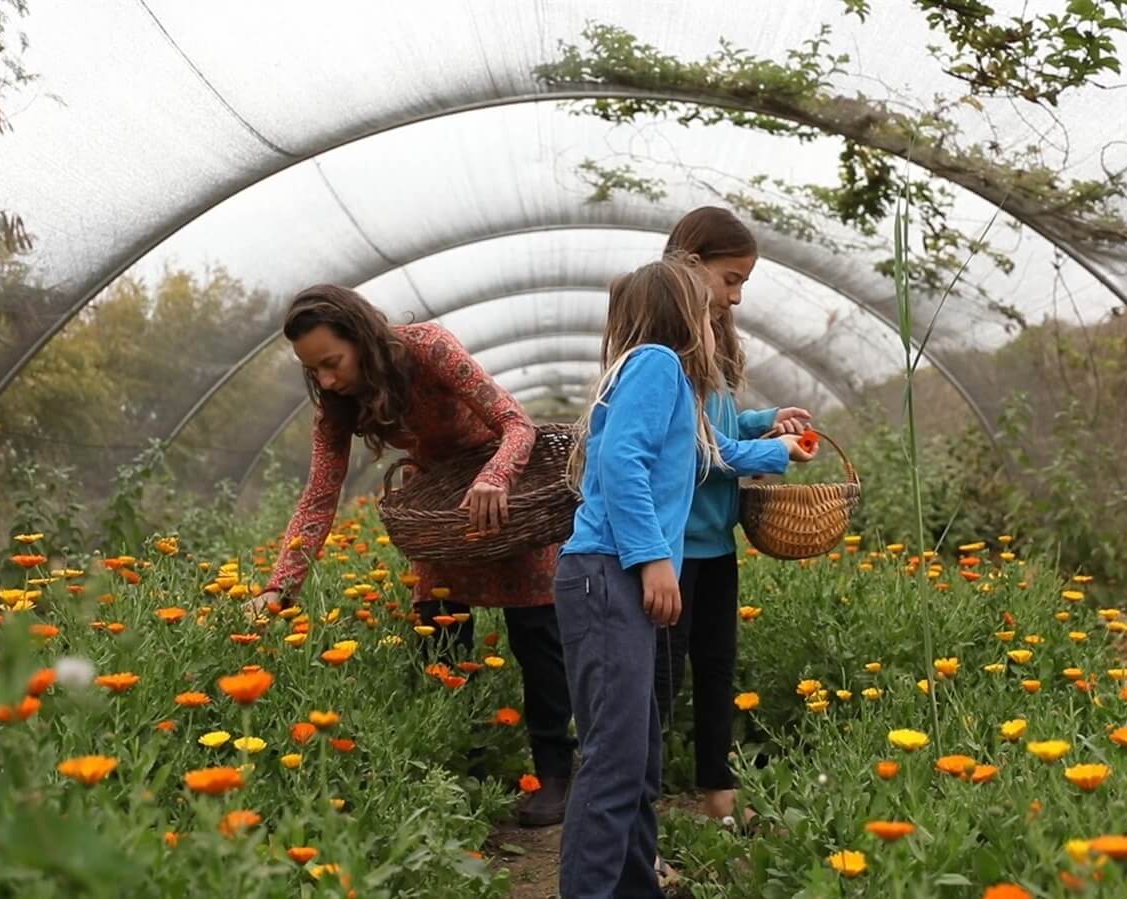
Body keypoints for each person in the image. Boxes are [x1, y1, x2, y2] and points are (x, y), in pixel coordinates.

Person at [249, 284, 575, 827]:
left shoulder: (427, 348)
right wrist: (277, 588)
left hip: (505, 496)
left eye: (333, 362)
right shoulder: (337, 402)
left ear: (362, 338)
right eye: (316, 370)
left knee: (537, 635)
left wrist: (496, 477)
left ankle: (555, 775)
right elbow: (320, 494)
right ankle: (462, 776)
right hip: (442, 511)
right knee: (440, 639)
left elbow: (517, 425)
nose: (327, 379)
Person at [553, 257, 815, 898]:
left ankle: (634, 886)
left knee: (637, 760)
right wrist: (653, 561)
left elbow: (708, 455)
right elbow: (622, 462)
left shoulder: (663, 379)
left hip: (609, 576)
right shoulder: (657, 364)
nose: (715, 318)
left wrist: (776, 450)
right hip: (608, 573)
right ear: (684, 316)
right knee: (616, 763)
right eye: (705, 309)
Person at [655, 207, 811, 827]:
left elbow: (719, 427)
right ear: (690, 266)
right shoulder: (668, 349)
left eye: (744, 283)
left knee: (717, 668)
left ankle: (718, 795)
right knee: (661, 680)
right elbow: (695, 451)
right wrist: (774, 452)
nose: (737, 296)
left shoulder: (713, 341)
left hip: (716, 541)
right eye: (731, 279)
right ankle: (640, 798)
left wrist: (765, 422)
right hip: (672, 549)